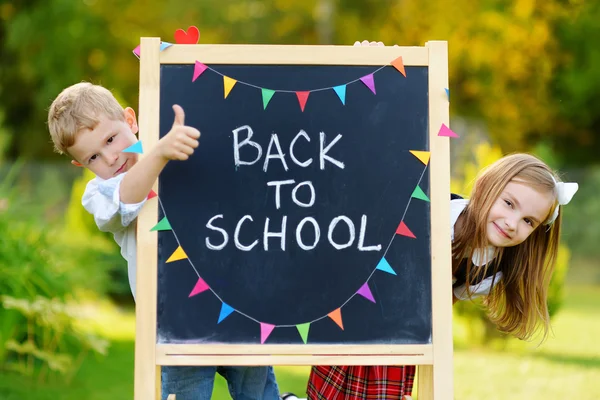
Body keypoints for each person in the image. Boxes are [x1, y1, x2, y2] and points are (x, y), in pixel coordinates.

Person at [47, 82, 280, 400]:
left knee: (258, 391)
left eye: (111, 139)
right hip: (176, 323)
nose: (111, 157)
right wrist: (157, 153)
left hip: (234, 304)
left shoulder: (177, 150)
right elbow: (128, 198)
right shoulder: (103, 191)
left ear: (131, 120)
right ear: (81, 165)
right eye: (93, 157)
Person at [305, 153, 578, 399]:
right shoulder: (431, 211)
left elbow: (442, 306)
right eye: (508, 203)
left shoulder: (490, 268)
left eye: (528, 221)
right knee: (331, 393)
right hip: (357, 308)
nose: (512, 223)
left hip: (402, 333)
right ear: (486, 188)